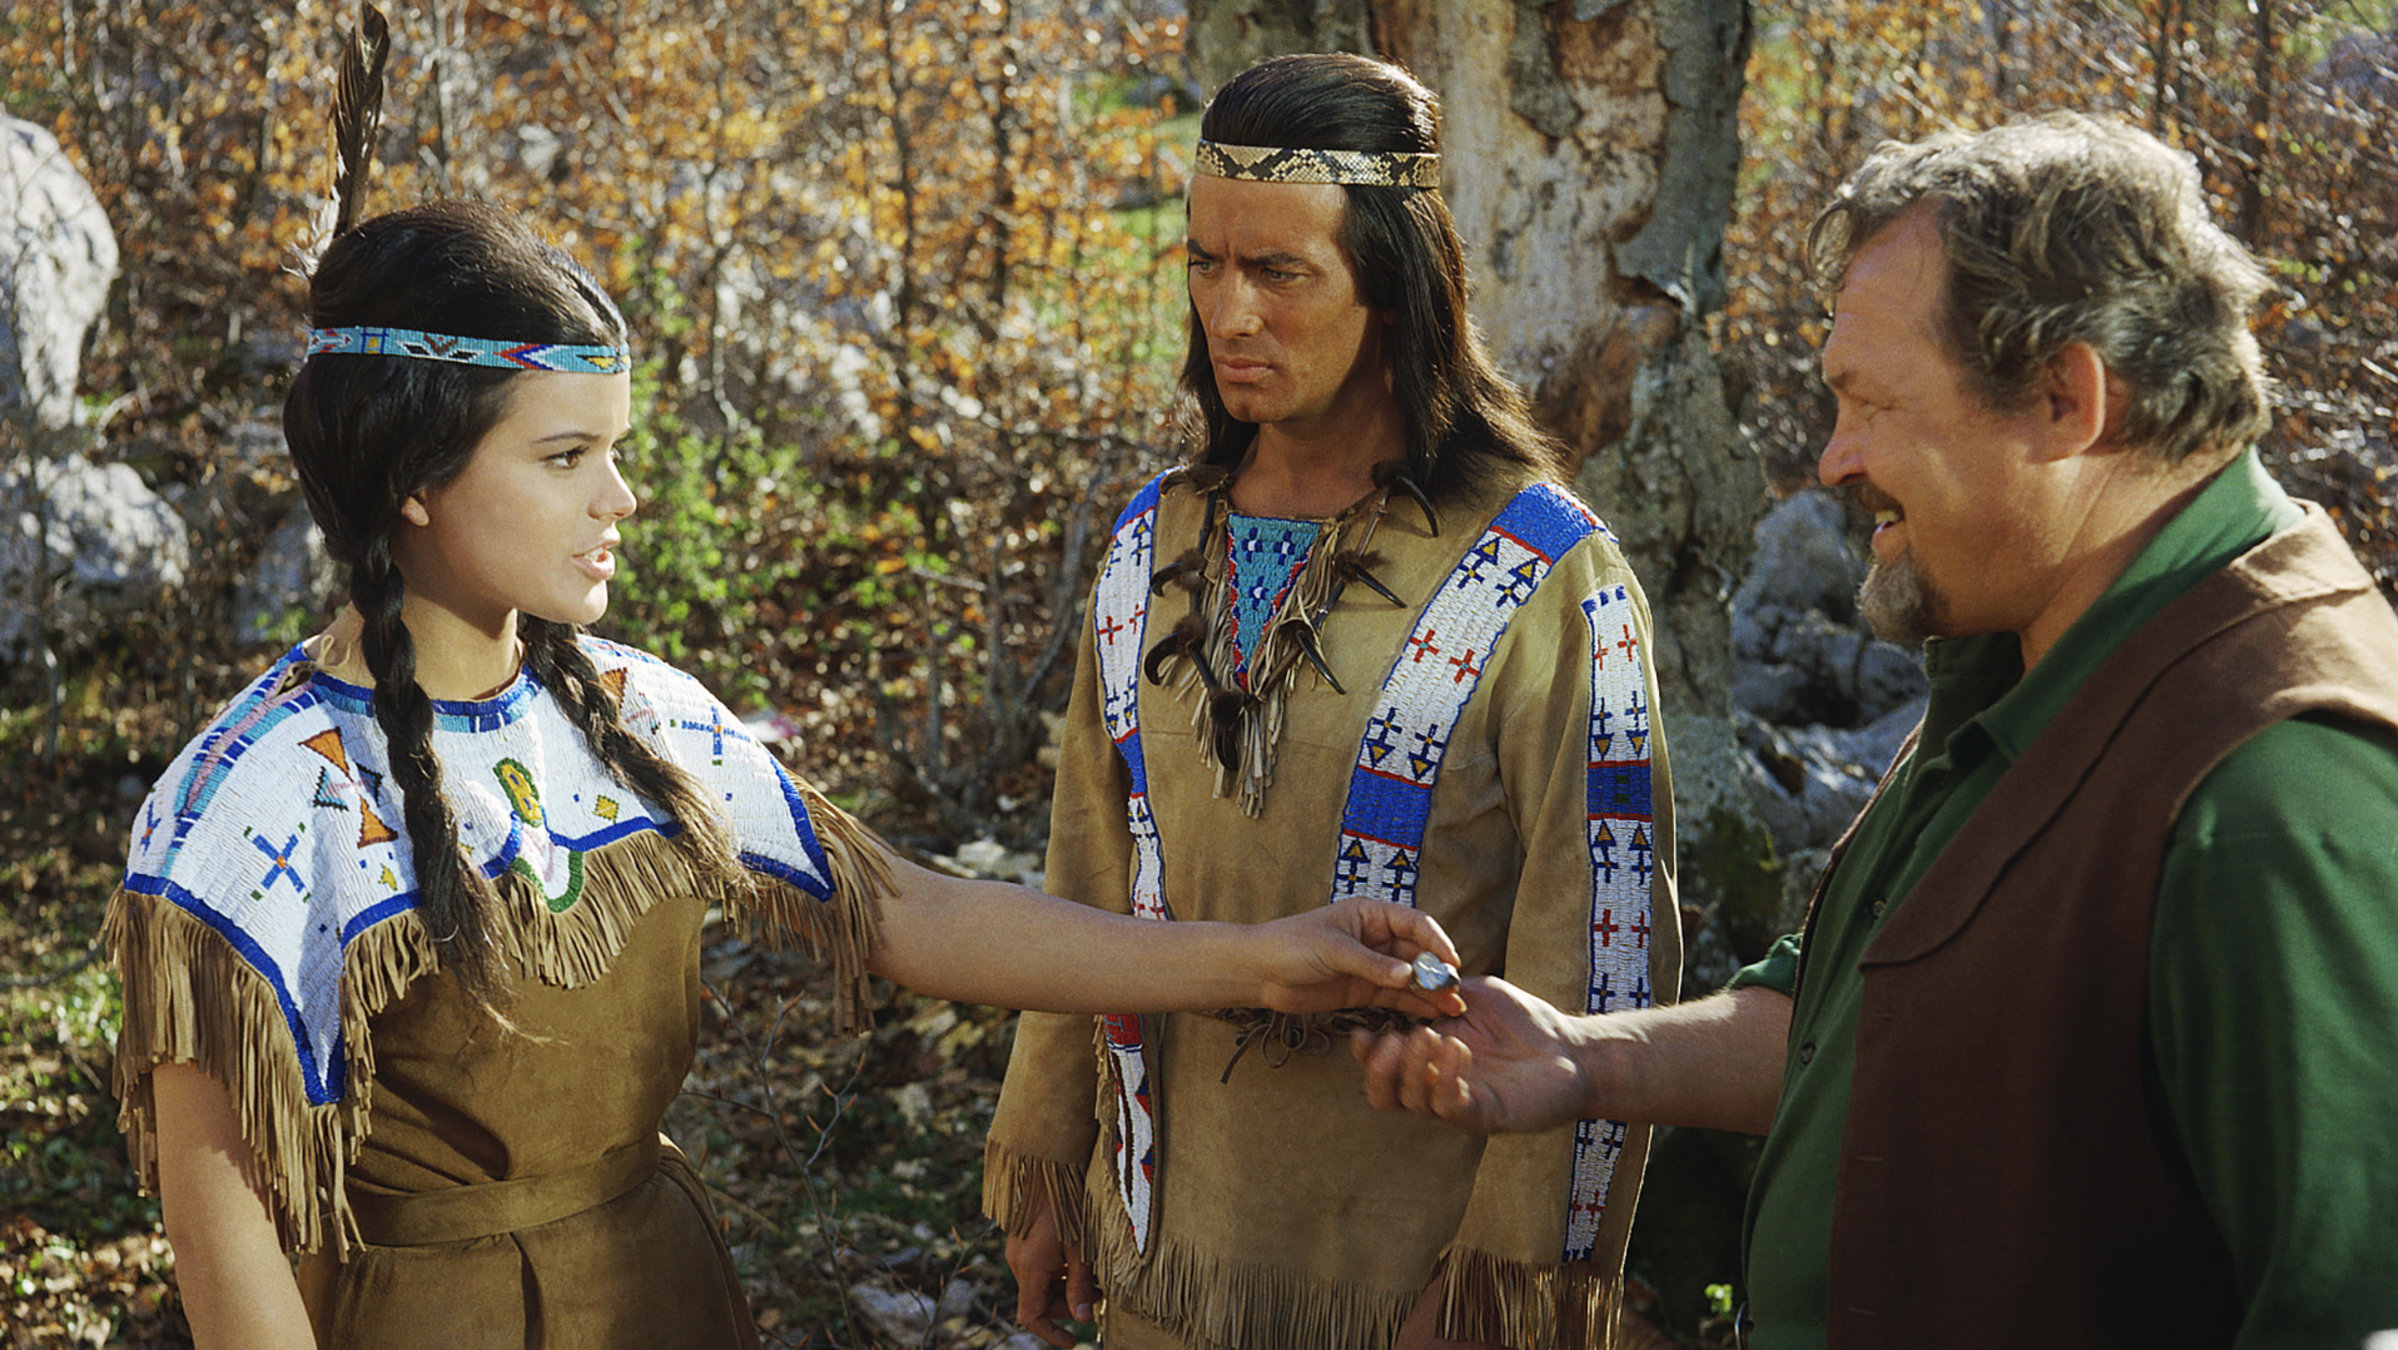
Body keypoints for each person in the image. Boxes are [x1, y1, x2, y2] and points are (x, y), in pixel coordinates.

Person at [106, 41, 1468, 1347]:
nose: (618, 497)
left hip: (665, 1297)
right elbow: (233, 1251)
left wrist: (1265, 959)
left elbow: (915, 911)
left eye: (615, 451)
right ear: (413, 475)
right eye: (566, 456)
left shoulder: (637, 718)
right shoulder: (250, 807)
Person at [1353, 112, 2398, 1349]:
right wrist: (1587, 1061)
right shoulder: (2046, 654)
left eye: (1870, 403)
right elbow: (1857, 1025)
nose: (1834, 460)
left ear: (2064, 400)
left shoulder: (2274, 782)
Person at [983, 52, 1679, 1350]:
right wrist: (1046, 1157)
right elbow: (1080, 872)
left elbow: (1599, 950)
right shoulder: (1149, 541)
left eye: (1278, 272)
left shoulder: (1542, 574)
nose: (1226, 312)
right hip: (1158, 1249)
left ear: (1393, 283)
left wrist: (1496, 1287)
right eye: (1202, 263)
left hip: (1401, 1273)